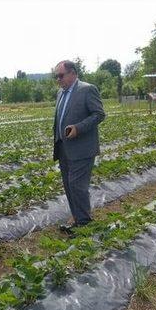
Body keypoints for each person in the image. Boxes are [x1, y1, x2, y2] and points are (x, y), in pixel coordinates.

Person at [52, 60, 106, 234]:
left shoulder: (87, 89)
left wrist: (78, 128)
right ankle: (77, 218)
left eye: (61, 75)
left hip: (82, 148)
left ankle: (84, 223)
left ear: (73, 73)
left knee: (77, 185)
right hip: (63, 147)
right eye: (56, 76)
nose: (58, 79)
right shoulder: (61, 93)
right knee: (69, 185)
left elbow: (99, 114)